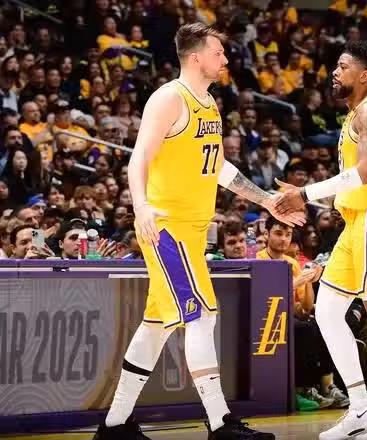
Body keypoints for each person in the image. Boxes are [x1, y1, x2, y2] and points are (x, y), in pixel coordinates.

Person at [94, 23, 304, 440]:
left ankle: (114, 425)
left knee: (156, 326)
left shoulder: (209, 104)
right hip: (166, 228)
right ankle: (220, 422)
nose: (226, 59)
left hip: (192, 230)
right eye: (218, 52)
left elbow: (219, 167)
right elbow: (138, 159)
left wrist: (265, 199)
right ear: (196, 58)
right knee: (203, 316)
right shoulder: (169, 98)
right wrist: (142, 206)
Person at [274, 41, 367, 439]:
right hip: (355, 223)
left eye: (342, 67)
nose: (334, 73)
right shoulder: (355, 114)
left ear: (364, 76)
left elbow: (366, 172)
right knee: (326, 310)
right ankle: (360, 408)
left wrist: (305, 193)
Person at [257, 216, 349, 410]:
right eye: (278, 233)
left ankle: (327, 386)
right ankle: (302, 390)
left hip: (291, 317)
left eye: (288, 234)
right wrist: (295, 283)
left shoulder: (292, 263)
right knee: (304, 330)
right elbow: (266, 299)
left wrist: (308, 281)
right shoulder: (259, 260)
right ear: (266, 234)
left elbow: (305, 308)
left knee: (322, 323)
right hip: (266, 319)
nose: (284, 239)